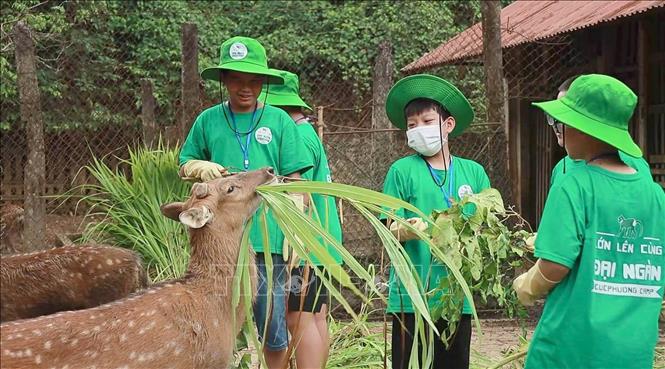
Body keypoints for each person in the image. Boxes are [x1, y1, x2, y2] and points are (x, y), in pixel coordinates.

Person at [178, 36, 313, 369]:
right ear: (224, 79)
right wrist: (197, 166)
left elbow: (297, 182)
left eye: (253, 80)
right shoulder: (207, 120)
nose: (245, 87)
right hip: (221, 246)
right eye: (237, 79)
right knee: (218, 326)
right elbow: (185, 163)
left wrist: (297, 231)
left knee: (272, 327)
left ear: (264, 82)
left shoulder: (279, 122)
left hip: (269, 242)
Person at [513, 74, 665, 368]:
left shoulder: (574, 184)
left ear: (583, 129)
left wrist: (527, 286)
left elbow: (555, 264)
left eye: (564, 121)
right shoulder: (656, 195)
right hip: (633, 350)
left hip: (572, 349)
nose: (560, 129)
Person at [381, 74, 491, 369]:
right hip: (410, 296)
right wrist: (405, 229)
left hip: (456, 297)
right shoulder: (401, 171)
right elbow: (386, 225)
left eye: (428, 121)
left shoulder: (474, 173)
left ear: (448, 124)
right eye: (412, 125)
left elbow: (487, 227)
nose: (419, 130)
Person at [258, 69, 343, 369]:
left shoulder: (297, 136)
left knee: (298, 317)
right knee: (315, 315)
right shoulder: (307, 132)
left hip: (304, 245)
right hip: (321, 241)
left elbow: (299, 196)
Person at [549, 75, 652, 186]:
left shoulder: (635, 164)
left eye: (565, 116)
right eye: (555, 115)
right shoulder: (560, 168)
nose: (556, 123)